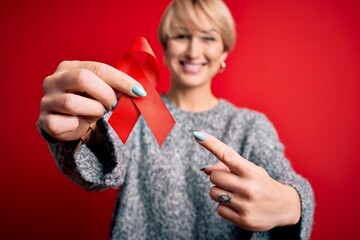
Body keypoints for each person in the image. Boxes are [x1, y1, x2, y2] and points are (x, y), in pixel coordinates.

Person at [37, 0, 314, 239]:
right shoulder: (139, 110)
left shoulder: (250, 126)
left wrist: (290, 204)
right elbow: (100, 170)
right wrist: (78, 133)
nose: (193, 51)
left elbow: (289, 182)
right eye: (182, 36)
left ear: (224, 53)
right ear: (166, 50)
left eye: (208, 37)